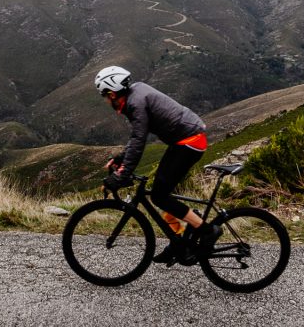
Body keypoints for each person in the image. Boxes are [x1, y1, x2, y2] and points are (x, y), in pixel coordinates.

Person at [94, 65, 221, 264]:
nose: (105, 100)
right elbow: (136, 138)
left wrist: (121, 175)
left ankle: (207, 230)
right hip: (184, 140)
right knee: (161, 193)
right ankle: (178, 241)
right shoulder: (136, 94)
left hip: (190, 142)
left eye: (105, 95)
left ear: (112, 93)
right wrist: (120, 159)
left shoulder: (136, 103)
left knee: (159, 196)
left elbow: (138, 140)